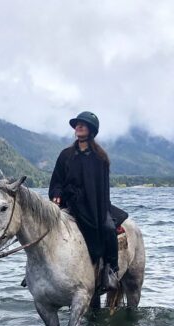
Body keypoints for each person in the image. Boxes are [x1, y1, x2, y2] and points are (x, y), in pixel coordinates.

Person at [48, 110, 127, 293]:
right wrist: (57, 195)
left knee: (108, 228)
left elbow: (102, 188)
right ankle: (40, 270)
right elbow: (57, 180)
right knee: (46, 228)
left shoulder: (100, 158)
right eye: (77, 124)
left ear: (91, 130)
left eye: (82, 124)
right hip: (70, 204)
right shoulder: (65, 155)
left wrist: (101, 209)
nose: (78, 126)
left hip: (95, 205)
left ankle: (111, 270)